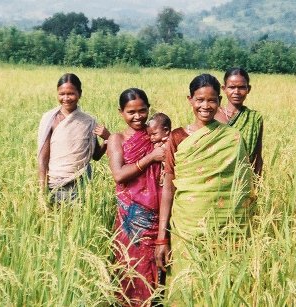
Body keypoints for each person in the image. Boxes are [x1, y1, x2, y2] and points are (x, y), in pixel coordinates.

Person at [154, 73, 255, 296]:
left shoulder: (233, 137)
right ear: (190, 99)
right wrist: (162, 236)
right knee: (187, 285)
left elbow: (243, 184)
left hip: (227, 228)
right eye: (200, 100)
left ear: (219, 101)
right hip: (187, 227)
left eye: (211, 100)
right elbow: (169, 187)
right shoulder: (177, 137)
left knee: (222, 286)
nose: (205, 106)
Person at [105, 88, 167, 306]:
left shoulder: (156, 136)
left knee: (155, 267)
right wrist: (150, 157)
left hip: (156, 214)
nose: (138, 116)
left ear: (149, 109)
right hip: (129, 218)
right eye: (131, 112)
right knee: (130, 266)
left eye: (142, 110)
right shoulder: (117, 139)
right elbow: (119, 174)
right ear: (121, 112)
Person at [36, 73, 108, 204]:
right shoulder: (50, 119)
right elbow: (43, 158)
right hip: (55, 183)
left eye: (70, 93)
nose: (66, 98)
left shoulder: (88, 121)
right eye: (61, 94)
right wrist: (42, 190)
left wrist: (107, 139)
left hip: (81, 183)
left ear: (79, 93)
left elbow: (96, 156)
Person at [215, 67, 264, 176]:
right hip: (214, 177)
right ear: (224, 88)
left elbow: (257, 156)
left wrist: (257, 184)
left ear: (248, 89)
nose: (236, 92)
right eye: (232, 87)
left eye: (241, 87)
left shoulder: (254, 118)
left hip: (242, 178)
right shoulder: (213, 115)